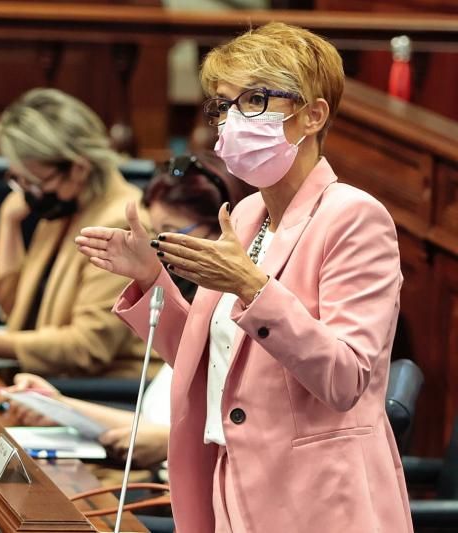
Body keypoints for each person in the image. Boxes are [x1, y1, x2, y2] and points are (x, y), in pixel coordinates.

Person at [75, 22, 412, 533]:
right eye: (223, 104)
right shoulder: (250, 212)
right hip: (231, 488)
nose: (231, 120)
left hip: (317, 503)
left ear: (313, 116)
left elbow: (347, 379)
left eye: (254, 100)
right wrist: (151, 280)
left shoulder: (354, 217)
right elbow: (214, 361)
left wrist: (253, 289)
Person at [8, 152, 247, 469]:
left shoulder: (237, 313)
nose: (160, 251)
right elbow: (150, 421)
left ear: (223, 230)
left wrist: (167, 443)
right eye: (155, 235)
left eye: (172, 233)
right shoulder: (203, 305)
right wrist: (58, 405)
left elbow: (230, 442)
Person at [0, 88, 158, 378]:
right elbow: (15, 313)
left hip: (95, 393)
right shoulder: (63, 209)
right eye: (19, 180)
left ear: (79, 169)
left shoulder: (119, 227)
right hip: (44, 382)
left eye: (33, 181)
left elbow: (87, 347)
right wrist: (8, 222)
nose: (28, 192)